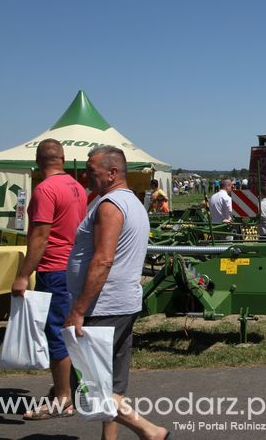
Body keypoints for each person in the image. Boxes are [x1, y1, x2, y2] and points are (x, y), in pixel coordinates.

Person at [64, 145, 167, 439]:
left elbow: (103, 259)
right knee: (110, 387)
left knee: (89, 390)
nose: (86, 175)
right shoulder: (131, 202)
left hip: (103, 307)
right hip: (120, 304)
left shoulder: (109, 206)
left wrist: (79, 309)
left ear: (111, 173)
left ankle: (150, 431)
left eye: (92, 171)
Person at [10, 139, 86, 419]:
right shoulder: (77, 187)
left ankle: (63, 398)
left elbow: (40, 237)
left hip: (53, 268)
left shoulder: (45, 189)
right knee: (69, 330)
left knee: (56, 333)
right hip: (74, 267)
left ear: (38, 162)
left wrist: (22, 275)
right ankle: (65, 391)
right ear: (63, 159)